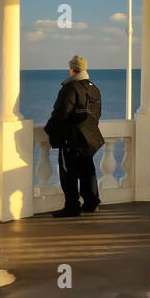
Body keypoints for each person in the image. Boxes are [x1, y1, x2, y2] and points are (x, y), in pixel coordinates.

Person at [43, 55, 104, 217]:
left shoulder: (70, 88)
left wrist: (49, 129)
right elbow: (96, 115)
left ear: (72, 69)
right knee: (87, 169)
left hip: (70, 139)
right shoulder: (94, 89)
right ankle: (91, 203)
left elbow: (60, 114)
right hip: (88, 138)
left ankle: (72, 206)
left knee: (68, 172)